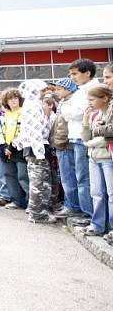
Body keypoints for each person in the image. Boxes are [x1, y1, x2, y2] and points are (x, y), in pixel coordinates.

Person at [61, 59, 99, 226]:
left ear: (87, 73)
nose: (72, 77)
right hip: (76, 136)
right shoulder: (80, 90)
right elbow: (69, 112)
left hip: (84, 138)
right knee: (79, 176)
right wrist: (67, 110)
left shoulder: (91, 90)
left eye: (75, 73)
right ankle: (82, 210)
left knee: (84, 178)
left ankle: (88, 213)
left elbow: (77, 113)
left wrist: (66, 109)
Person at [14, 80, 55, 223]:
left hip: (37, 148)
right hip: (36, 149)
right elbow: (34, 132)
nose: (44, 93)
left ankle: (40, 211)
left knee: (42, 182)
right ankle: (37, 213)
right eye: (42, 90)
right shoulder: (32, 106)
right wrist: (40, 153)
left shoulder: (33, 105)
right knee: (38, 183)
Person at [49, 78, 85, 220]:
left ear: (68, 89)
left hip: (65, 144)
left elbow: (63, 127)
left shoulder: (71, 103)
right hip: (61, 143)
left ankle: (73, 206)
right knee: (65, 177)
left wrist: (59, 142)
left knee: (69, 177)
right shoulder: (64, 103)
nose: (57, 91)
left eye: (59, 88)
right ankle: (69, 204)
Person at [81, 84, 113, 237]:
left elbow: (105, 140)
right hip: (93, 158)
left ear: (104, 98)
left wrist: (89, 143)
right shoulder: (95, 114)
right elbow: (85, 137)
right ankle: (97, 224)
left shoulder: (110, 115)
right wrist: (86, 120)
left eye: (92, 99)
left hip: (107, 158)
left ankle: (111, 227)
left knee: (111, 194)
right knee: (96, 193)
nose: (89, 103)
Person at [0, 88, 28, 210]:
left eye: (16, 98)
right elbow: (2, 132)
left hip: (19, 150)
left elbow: (23, 132)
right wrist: (4, 146)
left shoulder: (23, 112)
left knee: (23, 176)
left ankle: (29, 202)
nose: (13, 101)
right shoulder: (6, 115)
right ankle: (16, 201)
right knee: (10, 176)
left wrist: (12, 146)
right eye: (10, 99)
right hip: (7, 151)